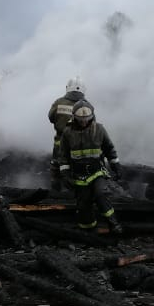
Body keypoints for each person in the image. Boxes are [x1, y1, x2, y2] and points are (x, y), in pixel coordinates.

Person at [58, 100, 123, 235]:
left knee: (101, 195)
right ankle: (88, 230)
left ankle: (113, 224)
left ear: (92, 116)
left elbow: (109, 148)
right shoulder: (68, 133)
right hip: (79, 176)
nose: (84, 122)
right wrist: (65, 174)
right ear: (74, 117)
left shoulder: (99, 129)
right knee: (84, 205)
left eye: (86, 118)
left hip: (97, 172)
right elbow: (63, 156)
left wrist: (115, 164)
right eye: (80, 119)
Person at [47, 78, 85, 191]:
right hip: (79, 145)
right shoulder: (86, 105)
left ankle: (55, 195)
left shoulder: (58, 102)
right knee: (77, 170)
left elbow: (51, 118)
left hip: (60, 144)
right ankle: (76, 196)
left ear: (67, 88)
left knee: (56, 169)